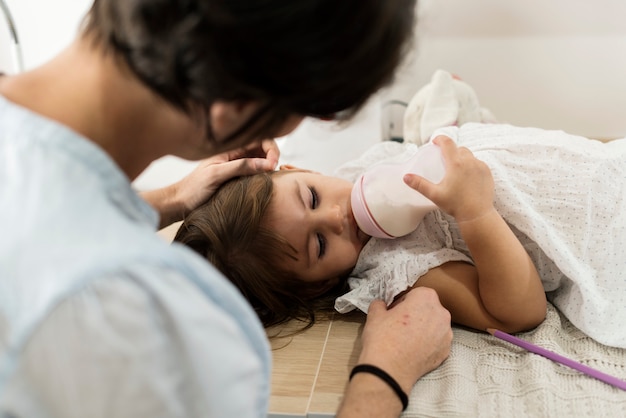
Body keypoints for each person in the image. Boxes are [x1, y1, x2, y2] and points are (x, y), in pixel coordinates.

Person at [0, 0, 453, 417]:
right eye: (316, 110)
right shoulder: (140, 312)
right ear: (235, 109)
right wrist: (384, 375)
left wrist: (174, 198)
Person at [174, 122, 626, 349]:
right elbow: (517, 314)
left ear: (296, 169)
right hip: (603, 239)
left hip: (602, 167)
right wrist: (476, 212)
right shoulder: (394, 266)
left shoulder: (357, 170)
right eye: (319, 245)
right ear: (317, 283)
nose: (335, 215)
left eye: (310, 196)